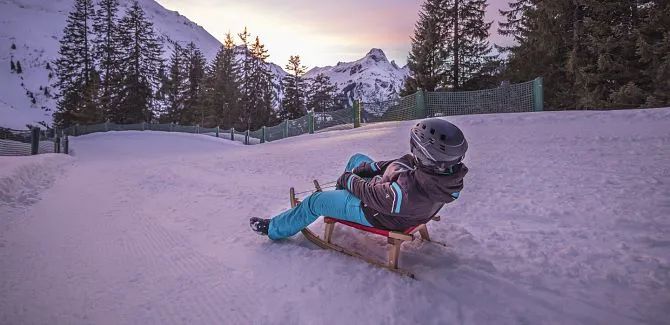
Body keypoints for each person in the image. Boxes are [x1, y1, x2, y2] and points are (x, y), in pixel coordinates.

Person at [250, 118, 469, 239]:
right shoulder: (439, 172)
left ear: (424, 151)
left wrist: (348, 180)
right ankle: (339, 197)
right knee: (358, 158)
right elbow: (399, 162)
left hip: (373, 212)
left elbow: (369, 194)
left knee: (315, 202)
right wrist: (368, 168)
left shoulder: (408, 193)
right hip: (387, 196)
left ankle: (274, 229)